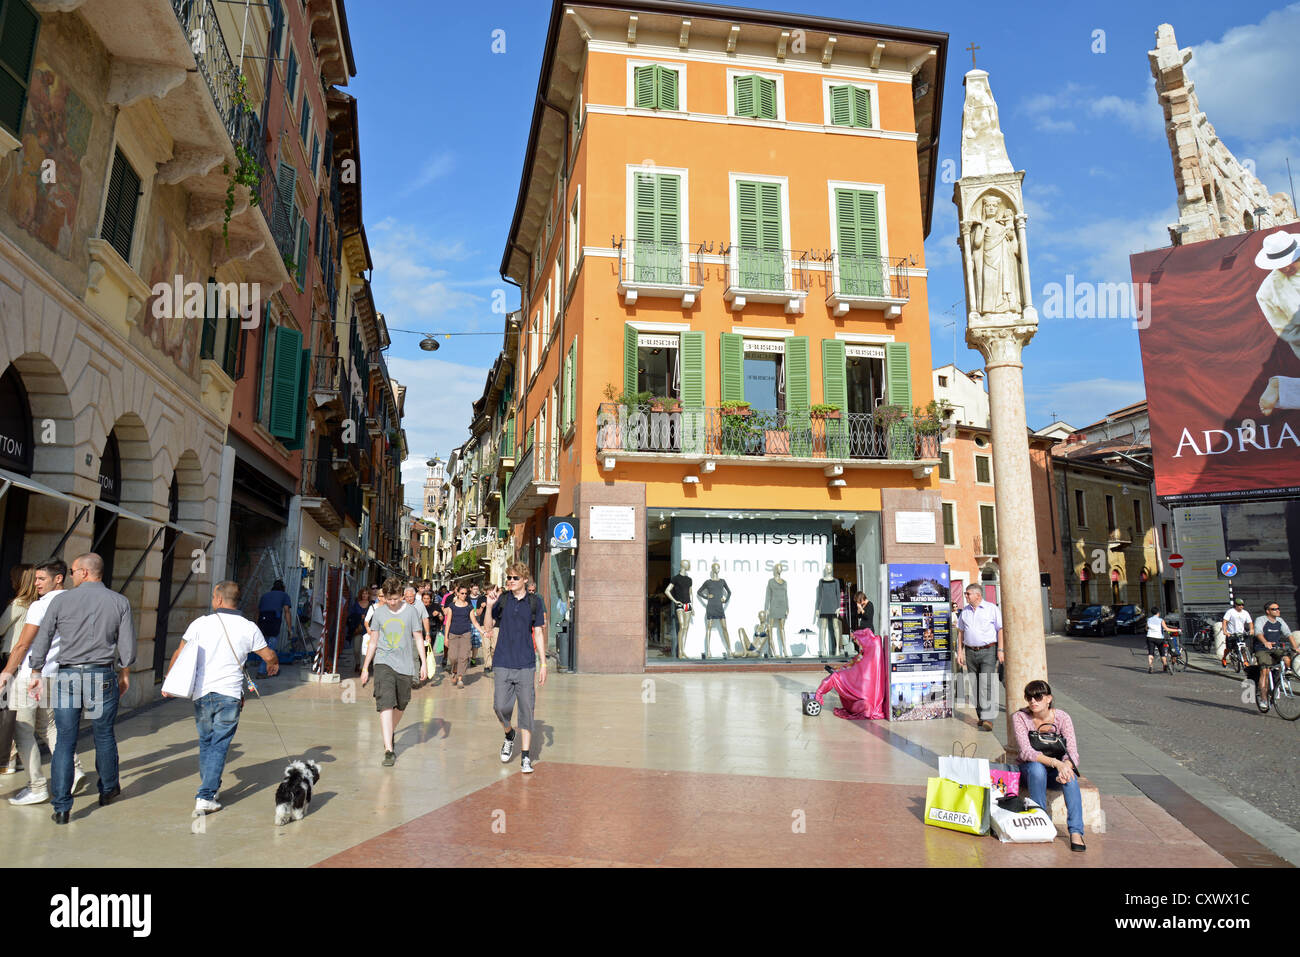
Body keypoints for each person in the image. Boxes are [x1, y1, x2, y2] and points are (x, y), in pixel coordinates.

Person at [27, 553, 134, 824]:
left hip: (68, 677)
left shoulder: (62, 601)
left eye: (74, 571)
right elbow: (128, 648)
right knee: (103, 735)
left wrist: (36, 670)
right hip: (101, 676)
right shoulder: (119, 601)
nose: (72, 575)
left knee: (64, 739)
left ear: (85, 572)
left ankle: (62, 806)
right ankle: (108, 789)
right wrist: (124, 671)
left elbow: (43, 638)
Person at [163, 581, 279, 812]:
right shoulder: (248, 627)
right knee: (219, 744)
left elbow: (179, 652)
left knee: (207, 741)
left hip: (202, 693)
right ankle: (206, 794)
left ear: (218, 599)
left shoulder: (200, 624)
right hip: (230, 694)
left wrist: (168, 681)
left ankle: (209, 789)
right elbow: (268, 655)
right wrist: (273, 664)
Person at [0, 560, 86, 804]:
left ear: (58, 578)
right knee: (48, 727)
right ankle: (75, 770)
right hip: (56, 674)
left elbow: (23, 645)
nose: (36, 584)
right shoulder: (76, 603)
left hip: (31, 674)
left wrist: (6, 672)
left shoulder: (41, 606)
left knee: (21, 729)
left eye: (41, 579)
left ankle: (37, 786)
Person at [486, 563, 546, 774]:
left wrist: (543, 663)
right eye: (508, 577)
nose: (510, 581)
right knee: (500, 706)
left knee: (527, 710)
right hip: (503, 661)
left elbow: (538, 633)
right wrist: (488, 604)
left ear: (525, 580)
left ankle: (526, 757)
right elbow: (488, 626)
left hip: (526, 664)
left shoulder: (535, 602)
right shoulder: (502, 600)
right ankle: (509, 733)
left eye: (515, 578)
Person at [1012, 679, 1086, 851]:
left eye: (1038, 697)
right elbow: (1026, 752)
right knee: (1037, 769)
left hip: (1054, 773)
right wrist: (1056, 763)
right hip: (1028, 771)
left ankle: (1076, 832)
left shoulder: (1062, 717)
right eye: (1029, 698)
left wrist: (1065, 766)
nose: (1033, 702)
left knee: (1070, 776)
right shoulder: (1020, 717)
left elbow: (1072, 752)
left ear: (1049, 698)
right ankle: (1041, 821)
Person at [361, 578, 427, 766]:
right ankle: (389, 749)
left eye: (395, 598)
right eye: (388, 599)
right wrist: (366, 666)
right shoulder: (379, 612)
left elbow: (418, 636)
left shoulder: (412, 612)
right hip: (383, 663)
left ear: (401, 595)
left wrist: (423, 663)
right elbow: (373, 641)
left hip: (405, 665)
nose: (392, 602)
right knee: (386, 702)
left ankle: (389, 731)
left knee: (402, 703)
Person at [0, 564, 36, 773]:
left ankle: (7, 759)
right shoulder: (35, 605)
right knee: (12, 710)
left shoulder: (18, 604)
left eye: (14, 578)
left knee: (6, 711)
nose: (11, 582)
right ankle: (12, 758)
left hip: (10, 661)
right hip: (24, 663)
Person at [955, 584, 1003, 731]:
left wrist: (1000, 650)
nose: (965, 596)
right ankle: (981, 716)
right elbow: (961, 632)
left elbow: (1000, 629)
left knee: (986, 682)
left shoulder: (992, 609)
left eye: (968, 593)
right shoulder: (965, 612)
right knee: (975, 684)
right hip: (970, 652)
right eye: (965, 593)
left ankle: (988, 719)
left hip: (988, 650)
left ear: (978, 595)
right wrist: (960, 652)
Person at [811, 627, 886, 719]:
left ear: (864, 640)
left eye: (856, 640)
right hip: (862, 699)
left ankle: (818, 694)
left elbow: (858, 670)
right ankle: (819, 693)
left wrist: (840, 673)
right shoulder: (868, 652)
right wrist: (841, 669)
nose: (856, 643)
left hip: (864, 700)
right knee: (836, 676)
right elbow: (854, 664)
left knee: (835, 677)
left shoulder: (869, 655)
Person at [1252, 601, 1300, 710]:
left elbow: (1289, 634)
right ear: (1268, 611)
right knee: (1265, 671)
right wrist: (1265, 642)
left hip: (1275, 648)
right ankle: (1263, 699)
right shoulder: (1261, 620)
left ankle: (1281, 679)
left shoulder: (1280, 621)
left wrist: (1296, 648)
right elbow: (1258, 632)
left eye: (1278, 608)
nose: (1278, 610)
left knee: (1287, 659)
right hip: (1262, 649)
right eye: (1274, 609)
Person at [255, 580, 293, 673]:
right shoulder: (284, 595)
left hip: (262, 620)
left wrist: (257, 626)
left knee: (264, 646)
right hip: (273, 621)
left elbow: (258, 612)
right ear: (283, 588)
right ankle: (262, 671)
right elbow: (287, 611)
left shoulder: (265, 596)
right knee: (271, 646)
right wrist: (289, 628)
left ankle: (270, 668)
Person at [443, 584, 475, 688]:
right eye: (462, 593)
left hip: (466, 633)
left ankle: (460, 678)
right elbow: (448, 622)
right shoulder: (452, 606)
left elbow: (474, 621)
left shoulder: (469, 606)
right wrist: (446, 637)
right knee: (453, 657)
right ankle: (454, 669)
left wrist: (483, 632)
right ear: (457, 593)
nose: (464, 595)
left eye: (466, 593)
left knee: (464, 656)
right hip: (453, 634)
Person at [1222, 598, 1253, 665]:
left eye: (1242, 605)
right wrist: (1225, 631)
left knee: (1243, 647)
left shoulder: (1245, 613)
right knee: (1229, 648)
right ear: (1235, 605)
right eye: (1239, 605)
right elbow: (1225, 621)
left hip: (1241, 633)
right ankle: (1224, 658)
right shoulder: (1230, 612)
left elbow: (1250, 622)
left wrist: (1251, 630)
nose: (1241, 606)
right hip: (1231, 633)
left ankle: (1245, 661)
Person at [478, 584, 500, 674]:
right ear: (486, 590)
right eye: (489, 589)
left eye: (493, 589)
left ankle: (494, 663)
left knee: (494, 647)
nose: (491, 591)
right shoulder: (481, 599)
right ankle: (487, 665)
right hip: (484, 625)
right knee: (486, 646)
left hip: (496, 625)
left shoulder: (498, 599)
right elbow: (478, 613)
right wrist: (482, 607)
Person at [1145, 610, 1172, 674]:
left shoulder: (1149, 619)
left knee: (1151, 653)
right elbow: (1167, 629)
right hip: (1159, 638)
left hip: (1150, 637)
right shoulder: (1161, 620)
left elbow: (1146, 628)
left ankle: (1151, 666)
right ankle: (1165, 665)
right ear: (1158, 613)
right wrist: (1176, 630)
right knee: (1162, 653)